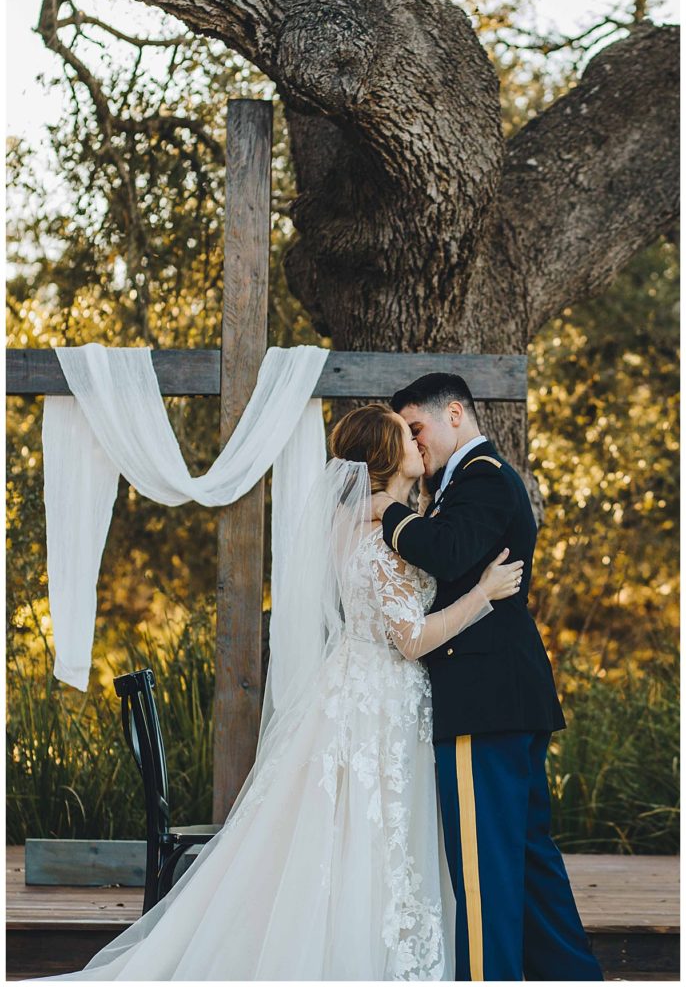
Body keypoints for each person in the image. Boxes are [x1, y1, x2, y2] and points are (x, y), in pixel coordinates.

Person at [31, 403, 523, 982]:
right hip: (382, 702)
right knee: (375, 841)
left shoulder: (361, 523)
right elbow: (412, 640)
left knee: (353, 842)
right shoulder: (380, 540)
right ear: (388, 457)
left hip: (357, 690)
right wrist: (482, 594)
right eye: (405, 435)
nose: (418, 441)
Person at [372, 372, 604, 981]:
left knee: (484, 874)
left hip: (485, 701)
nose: (415, 444)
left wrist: (387, 511)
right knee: (525, 864)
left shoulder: (483, 477)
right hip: (505, 697)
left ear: (455, 414)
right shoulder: (461, 483)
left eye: (417, 429)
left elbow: (447, 553)